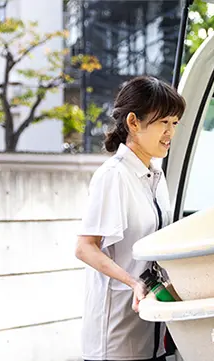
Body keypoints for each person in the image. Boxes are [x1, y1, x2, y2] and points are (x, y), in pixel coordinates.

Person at [75, 76, 186, 361]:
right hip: (115, 339)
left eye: (175, 123)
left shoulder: (156, 177)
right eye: (164, 123)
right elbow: (85, 247)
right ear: (134, 123)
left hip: (151, 330)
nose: (170, 133)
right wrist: (133, 283)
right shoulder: (114, 176)